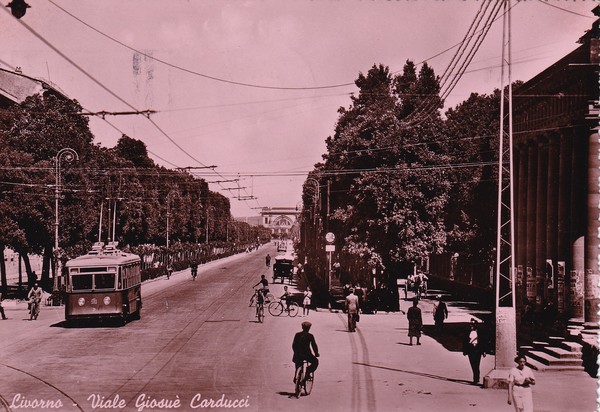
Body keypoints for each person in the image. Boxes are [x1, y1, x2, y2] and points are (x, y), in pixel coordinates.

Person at [462, 318, 486, 385]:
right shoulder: (467, 332)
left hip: (478, 349)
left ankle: (476, 379)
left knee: (477, 364)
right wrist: (464, 351)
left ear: (476, 324)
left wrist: (484, 351)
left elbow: (483, 342)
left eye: (472, 324)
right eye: (470, 324)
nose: (471, 325)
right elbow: (464, 341)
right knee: (472, 364)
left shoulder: (480, 332)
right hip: (470, 349)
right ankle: (476, 377)